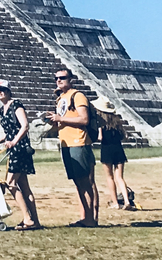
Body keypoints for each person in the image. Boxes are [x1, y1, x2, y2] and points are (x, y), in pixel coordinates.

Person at [43, 69, 98, 227]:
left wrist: (61, 118)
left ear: (71, 79)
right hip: (66, 143)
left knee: (84, 182)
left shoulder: (77, 95)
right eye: (56, 78)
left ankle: (90, 219)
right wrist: (55, 121)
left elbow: (84, 119)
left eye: (62, 78)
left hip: (78, 142)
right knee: (77, 182)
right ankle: (85, 216)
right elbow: (64, 121)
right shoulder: (61, 98)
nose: (58, 81)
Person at [0, 79, 40, 230]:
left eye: (2, 89)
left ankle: (27, 218)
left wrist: (14, 142)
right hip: (14, 148)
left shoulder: (16, 105)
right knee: (23, 186)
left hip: (21, 149)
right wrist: (0, 140)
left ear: (9, 90)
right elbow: (10, 131)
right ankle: (34, 221)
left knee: (10, 183)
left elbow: (24, 126)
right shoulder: (1, 110)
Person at [93, 96, 136, 211]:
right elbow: (124, 136)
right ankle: (127, 201)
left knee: (109, 177)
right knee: (120, 177)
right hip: (118, 149)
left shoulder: (100, 122)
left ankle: (115, 203)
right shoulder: (117, 121)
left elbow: (100, 137)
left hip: (107, 149)